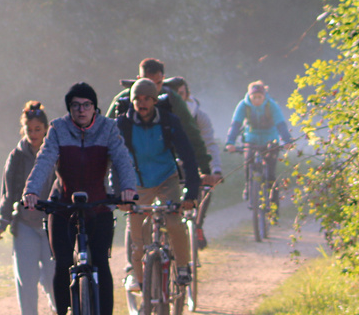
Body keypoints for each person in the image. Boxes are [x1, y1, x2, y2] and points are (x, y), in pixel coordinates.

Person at [22, 83, 139, 315]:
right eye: (76, 105)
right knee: (62, 263)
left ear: (95, 108)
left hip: (98, 206)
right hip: (63, 206)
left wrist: (127, 189)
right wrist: (30, 191)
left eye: (86, 105)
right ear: (70, 109)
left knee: (100, 261)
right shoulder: (58, 128)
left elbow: (122, 159)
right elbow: (44, 161)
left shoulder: (108, 128)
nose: (81, 110)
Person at [117, 78, 202, 315]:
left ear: (154, 101)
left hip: (167, 179)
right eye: (137, 99)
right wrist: (118, 192)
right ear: (131, 101)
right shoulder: (122, 124)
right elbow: (113, 159)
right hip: (138, 181)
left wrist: (191, 194)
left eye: (146, 99)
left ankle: (184, 268)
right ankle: (142, 289)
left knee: (174, 222)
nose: (141, 104)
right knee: (137, 240)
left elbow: (188, 156)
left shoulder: (168, 121)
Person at [113, 58, 221, 244]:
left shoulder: (172, 99)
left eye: (158, 84)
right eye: (147, 83)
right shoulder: (123, 100)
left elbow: (191, 136)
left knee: (173, 219)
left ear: (163, 80)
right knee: (136, 220)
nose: (152, 89)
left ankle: (180, 265)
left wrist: (205, 169)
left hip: (169, 164)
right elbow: (105, 138)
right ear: (138, 79)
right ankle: (133, 264)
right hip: (137, 171)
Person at [0, 101, 53, 315]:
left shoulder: (55, 153)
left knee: (51, 275)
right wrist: (2, 222)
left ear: (46, 129)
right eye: (29, 130)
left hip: (52, 223)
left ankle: (58, 312)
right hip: (25, 224)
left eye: (38, 129)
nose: (33, 134)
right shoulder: (16, 157)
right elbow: (8, 192)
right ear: (24, 130)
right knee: (26, 276)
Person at [224, 80, 296, 215]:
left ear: (264, 96)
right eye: (254, 97)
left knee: (270, 175)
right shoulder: (243, 105)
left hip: (270, 139)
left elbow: (281, 124)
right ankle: (248, 186)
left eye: (259, 97)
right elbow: (235, 124)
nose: (257, 100)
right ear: (249, 96)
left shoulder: (271, 105)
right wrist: (230, 142)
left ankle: (274, 211)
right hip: (251, 139)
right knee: (248, 160)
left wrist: (287, 140)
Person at [165, 75, 221, 242]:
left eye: (180, 93)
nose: (177, 97)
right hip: (168, 164)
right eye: (173, 93)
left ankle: (197, 225)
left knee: (204, 187)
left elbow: (209, 144)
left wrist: (215, 169)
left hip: (191, 163)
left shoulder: (199, 116)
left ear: (187, 95)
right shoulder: (160, 113)